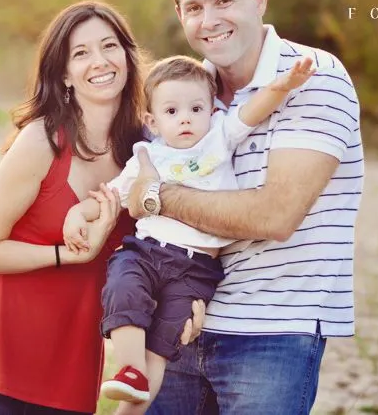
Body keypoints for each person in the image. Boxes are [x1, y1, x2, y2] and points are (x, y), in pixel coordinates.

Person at [119, 0, 365, 415]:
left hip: (271, 332)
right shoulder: (185, 93)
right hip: (181, 319)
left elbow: (275, 215)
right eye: (194, 8)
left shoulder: (314, 77)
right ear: (180, 16)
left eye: (223, 1)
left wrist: (154, 196)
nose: (209, 20)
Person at [0, 0, 197, 414]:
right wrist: (72, 254)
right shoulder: (42, 140)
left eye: (109, 46)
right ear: (64, 73)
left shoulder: (151, 151)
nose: (100, 61)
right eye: (81, 53)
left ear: (128, 58)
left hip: (69, 373)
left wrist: (189, 299)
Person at [62, 55, 315, 405]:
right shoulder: (147, 156)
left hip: (195, 268)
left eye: (196, 109)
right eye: (171, 112)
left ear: (211, 111)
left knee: (167, 338)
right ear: (151, 120)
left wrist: (281, 86)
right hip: (146, 252)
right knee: (123, 288)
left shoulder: (218, 138)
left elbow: (252, 111)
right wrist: (79, 211)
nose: (185, 118)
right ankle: (130, 369)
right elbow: (114, 195)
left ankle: (134, 401)